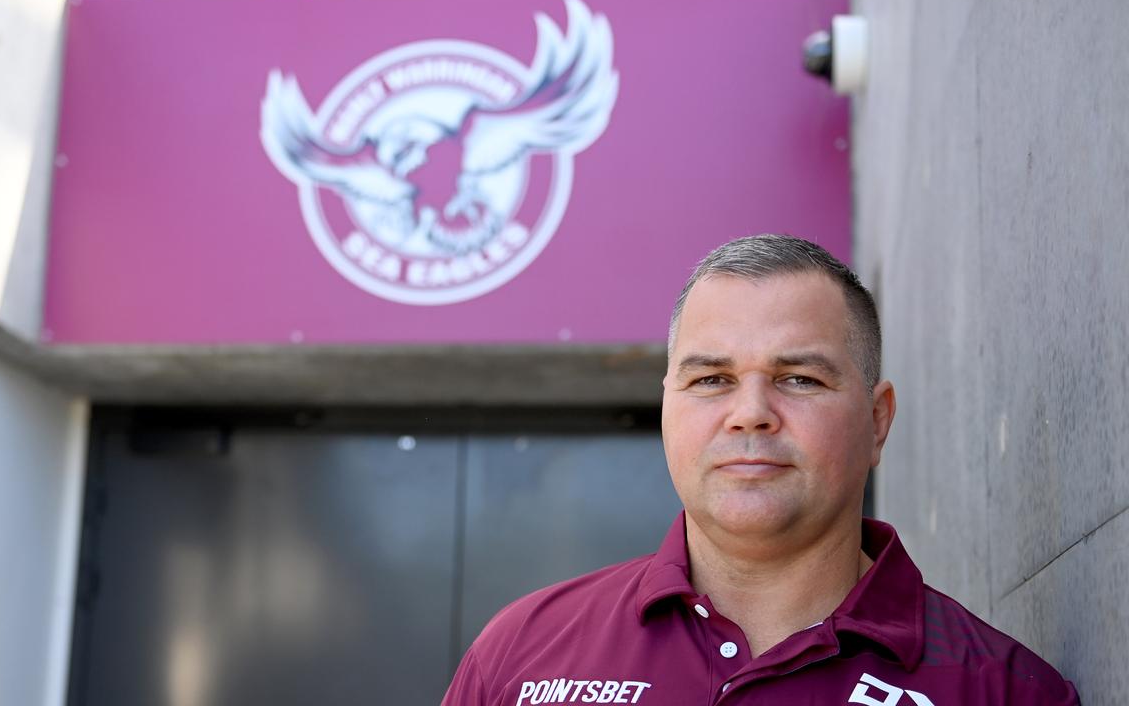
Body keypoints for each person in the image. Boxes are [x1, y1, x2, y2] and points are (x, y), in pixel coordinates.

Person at [442, 234, 1079, 705]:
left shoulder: (1004, 692)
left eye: (798, 378)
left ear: (878, 420)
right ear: (668, 408)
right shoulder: (521, 654)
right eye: (711, 379)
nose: (750, 414)